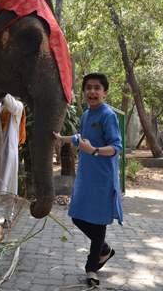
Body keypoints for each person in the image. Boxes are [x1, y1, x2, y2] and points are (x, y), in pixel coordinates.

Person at [53, 73, 122, 286]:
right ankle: (103, 249)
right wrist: (62, 138)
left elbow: (116, 147)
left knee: (99, 222)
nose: (92, 91)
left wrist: (93, 151)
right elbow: (81, 138)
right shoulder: (86, 115)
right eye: (88, 88)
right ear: (84, 92)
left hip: (102, 177)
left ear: (104, 92)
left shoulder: (107, 115)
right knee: (77, 215)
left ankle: (92, 268)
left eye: (97, 88)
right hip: (85, 176)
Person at [0, 93, 25, 228]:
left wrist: (1, 87)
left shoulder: (18, 106)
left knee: (9, 187)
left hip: (9, 153)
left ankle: (8, 217)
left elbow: (10, 103)